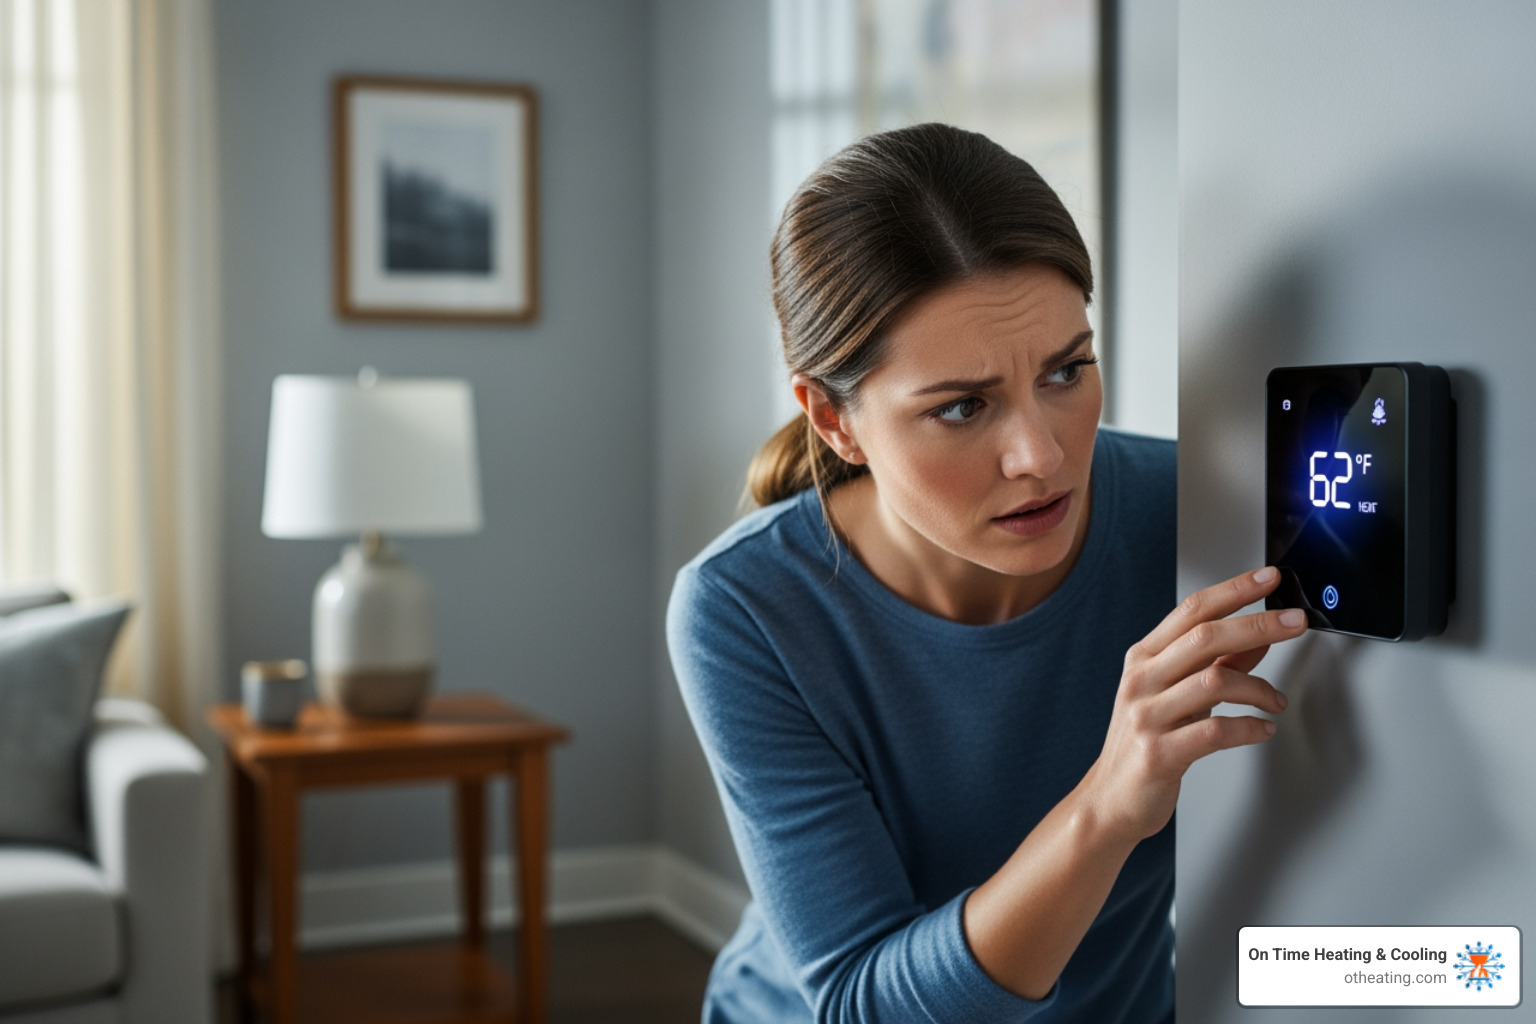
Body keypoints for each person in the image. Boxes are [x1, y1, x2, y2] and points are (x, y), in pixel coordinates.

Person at [666, 123, 1304, 1023]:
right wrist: (1108, 804)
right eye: (962, 407)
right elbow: (859, 1004)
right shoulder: (746, 607)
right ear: (833, 419)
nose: (1040, 456)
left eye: (1066, 371)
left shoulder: (1192, 512)